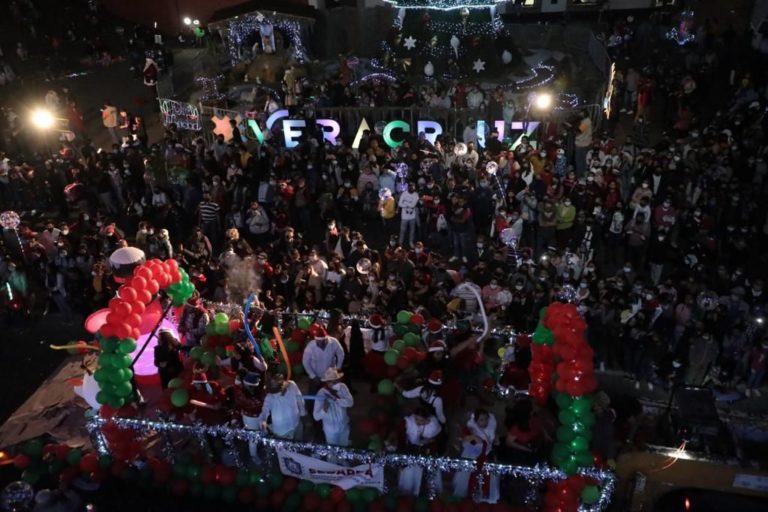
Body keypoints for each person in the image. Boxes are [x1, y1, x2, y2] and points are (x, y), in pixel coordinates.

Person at [452, 409, 500, 503]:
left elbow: (493, 443)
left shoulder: (491, 430)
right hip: (472, 456)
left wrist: (495, 441)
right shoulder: (470, 429)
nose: (484, 422)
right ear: (476, 420)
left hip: (486, 456)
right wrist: (473, 437)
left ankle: (484, 498)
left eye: (486, 419)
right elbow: (464, 440)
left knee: (487, 477)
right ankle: (468, 497)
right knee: (469, 477)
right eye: (481, 420)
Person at [396, 407, 443, 496]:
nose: (418, 422)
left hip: (426, 452)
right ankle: (407, 492)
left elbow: (436, 441)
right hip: (410, 451)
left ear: (427, 420)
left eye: (421, 420)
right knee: (408, 473)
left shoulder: (433, 426)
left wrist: (428, 442)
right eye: (416, 419)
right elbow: (400, 435)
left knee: (424, 473)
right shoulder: (408, 422)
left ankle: (424, 492)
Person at [256, 372, 305, 440]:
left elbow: (299, 398)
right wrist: (262, 422)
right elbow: (264, 412)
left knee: (300, 446)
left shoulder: (292, 385)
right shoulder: (270, 397)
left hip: (296, 423)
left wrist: (302, 412)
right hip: (282, 432)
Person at [313, 367, 354, 446]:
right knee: (333, 454)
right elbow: (316, 417)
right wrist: (324, 409)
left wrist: (336, 400)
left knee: (344, 449)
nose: (336, 383)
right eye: (333, 382)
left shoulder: (343, 387)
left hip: (344, 426)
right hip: (330, 430)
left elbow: (350, 403)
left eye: (337, 380)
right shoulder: (321, 394)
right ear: (327, 382)